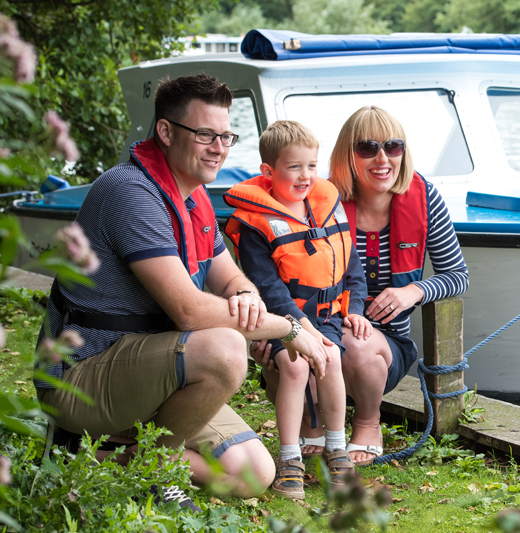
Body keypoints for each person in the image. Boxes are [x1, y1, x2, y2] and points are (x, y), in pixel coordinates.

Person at [34, 74, 332, 503]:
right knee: (226, 350)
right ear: (166, 131)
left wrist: (246, 294)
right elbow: (190, 312)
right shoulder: (131, 192)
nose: (219, 147)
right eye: (205, 134)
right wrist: (286, 327)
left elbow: (228, 276)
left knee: (254, 473)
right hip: (82, 376)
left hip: (152, 371)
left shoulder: (193, 198)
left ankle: (94, 457)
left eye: (226, 135)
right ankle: (152, 469)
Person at [223, 120, 370, 497]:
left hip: (327, 315)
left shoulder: (326, 206)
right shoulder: (256, 224)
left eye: (311, 166)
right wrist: (302, 328)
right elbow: (268, 287)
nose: (305, 176)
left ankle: (336, 448)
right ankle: (290, 458)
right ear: (268, 172)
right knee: (293, 364)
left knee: (331, 358)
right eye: (294, 167)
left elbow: (350, 264)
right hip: (280, 319)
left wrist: (354, 306)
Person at [328, 105, 469, 465]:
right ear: (348, 155)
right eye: (367, 148)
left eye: (392, 146)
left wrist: (415, 291)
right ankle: (315, 425)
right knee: (334, 342)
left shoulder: (425, 199)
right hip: (324, 333)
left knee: (359, 347)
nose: (382, 158)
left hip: (387, 350)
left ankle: (367, 421)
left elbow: (458, 276)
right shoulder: (323, 203)